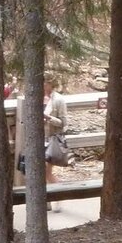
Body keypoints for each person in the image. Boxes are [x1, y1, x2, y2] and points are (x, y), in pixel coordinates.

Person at [43, 77, 72, 207]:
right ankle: (47, 200)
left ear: (49, 84)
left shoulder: (58, 100)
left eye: (44, 82)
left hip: (52, 139)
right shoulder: (34, 97)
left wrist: (48, 118)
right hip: (37, 139)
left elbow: (63, 123)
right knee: (40, 172)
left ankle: (57, 196)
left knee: (46, 171)